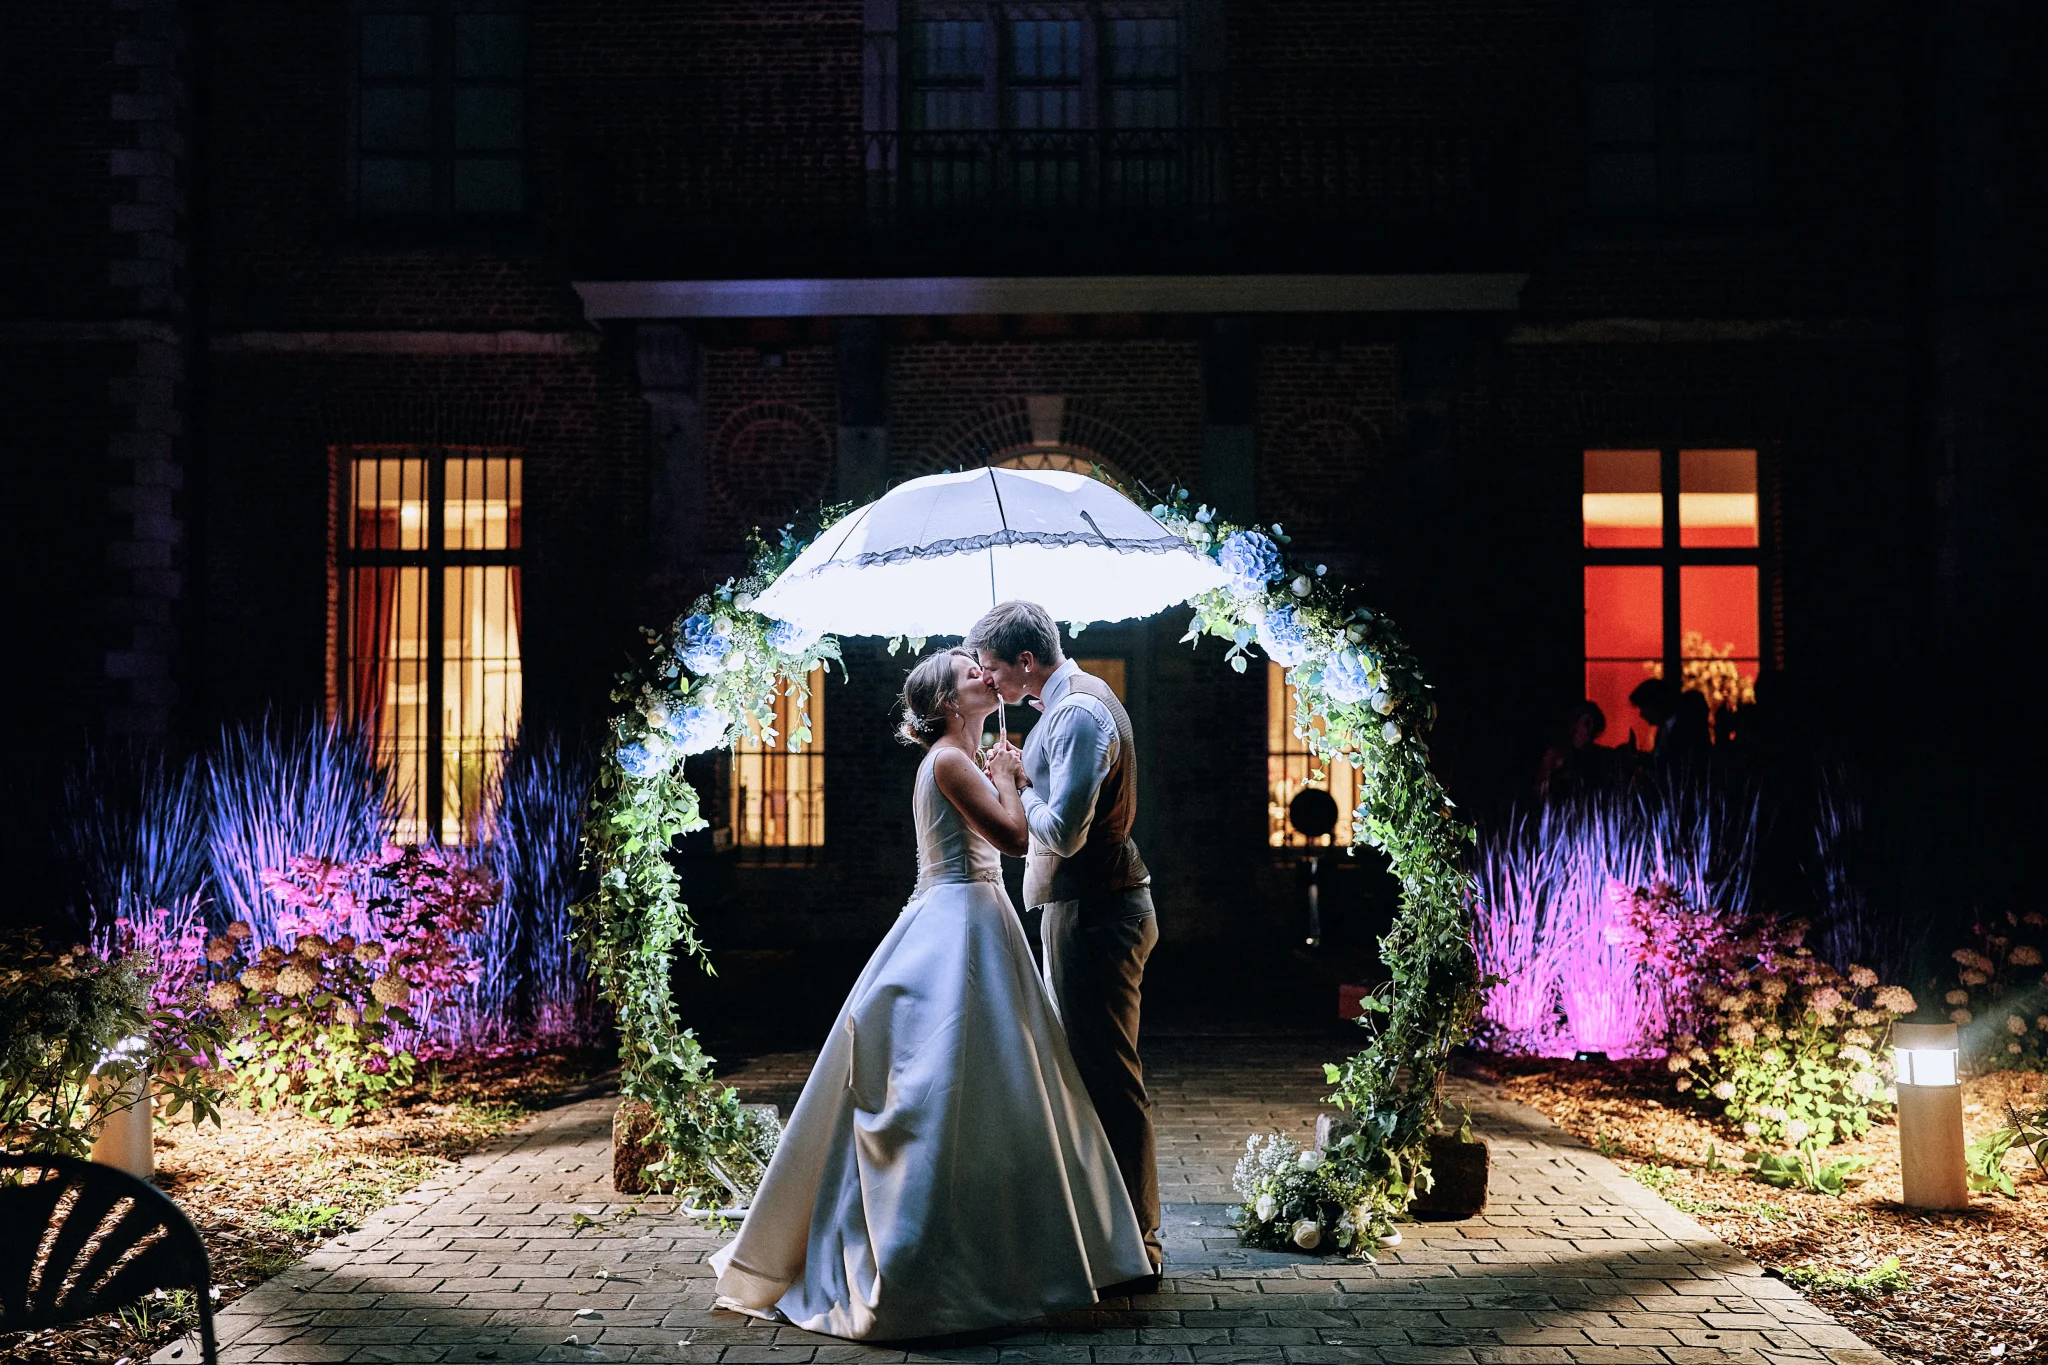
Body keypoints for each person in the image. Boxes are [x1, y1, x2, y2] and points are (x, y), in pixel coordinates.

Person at [708, 648, 1152, 1340]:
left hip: (981, 917)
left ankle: (1000, 1242)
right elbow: (1013, 837)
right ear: (947, 701)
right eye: (970, 673)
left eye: (983, 667)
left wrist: (1007, 773)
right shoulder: (949, 760)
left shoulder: (961, 756)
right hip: (957, 922)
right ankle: (930, 1254)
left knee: (999, 1085)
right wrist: (1008, 779)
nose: (985, 675)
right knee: (944, 1083)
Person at [969, 600, 1163, 1291]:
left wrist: (1014, 786)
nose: (988, 681)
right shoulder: (1064, 708)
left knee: (1110, 1075)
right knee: (1090, 1069)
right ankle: (1108, 1230)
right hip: (1085, 905)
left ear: (1026, 661)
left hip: (1099, 908)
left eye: (992, 668)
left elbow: (1065, 834)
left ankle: (1139, 1244)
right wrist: (1029, 773)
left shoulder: (1078, 713)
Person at [1535, 700, 1609, 797]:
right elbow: (1540, 790)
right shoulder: (1555, 755)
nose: (1591, 729)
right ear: (1574, 725)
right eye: (1586, 723)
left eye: (1594, 724)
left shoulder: (1601, 757)